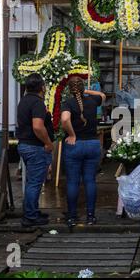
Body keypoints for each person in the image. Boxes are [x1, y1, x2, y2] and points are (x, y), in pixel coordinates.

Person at [61, 76, 106, 226]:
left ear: (70, 90)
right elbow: (102, 96)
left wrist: (72, 134)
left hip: (75, 145)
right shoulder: (92, 101)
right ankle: (91, 216)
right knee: (90, 181)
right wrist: (84, 90)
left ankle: (72, 217)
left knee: (73, 182)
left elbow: (65, 119)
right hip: (92, 144)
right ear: (82, 88)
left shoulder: (68, 103)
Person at [16, 73, 54, 227]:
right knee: (34, 182)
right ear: (42, 87)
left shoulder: (24, 101)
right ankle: (30, 217)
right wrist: (47, 143)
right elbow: (38, 126)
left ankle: (32, 210)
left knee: (32, 181)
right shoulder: (37, 103)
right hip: (35, 146)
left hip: (25, 145)